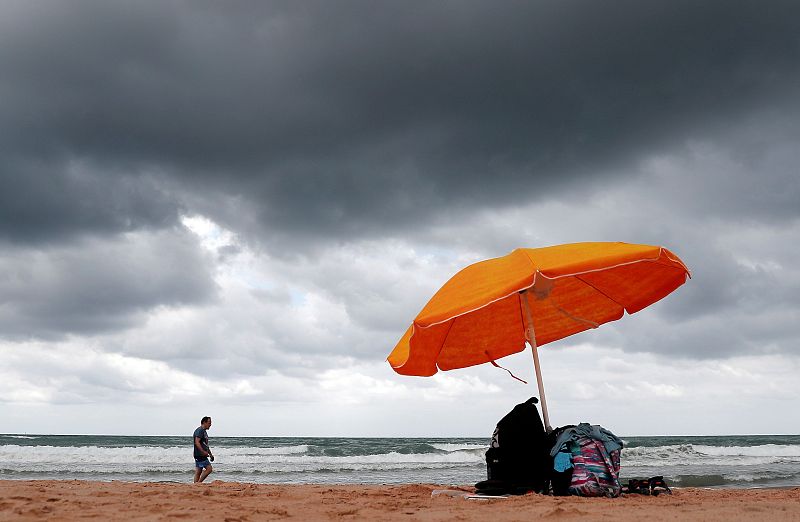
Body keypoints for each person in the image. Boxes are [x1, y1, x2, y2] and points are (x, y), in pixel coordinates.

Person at [193, 416, 214, 483]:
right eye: (209, 423)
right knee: (209, 469)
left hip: (200, 454)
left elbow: (205, 445)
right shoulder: (200, 430)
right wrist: (203, 452)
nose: (210, 424)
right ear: (204, 422)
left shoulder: (204, 431)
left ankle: (195, 485)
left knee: (198, 471)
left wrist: (210, 454)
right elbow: (197, 442)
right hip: (200, 454)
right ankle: (199, 483)